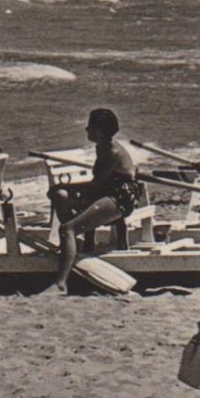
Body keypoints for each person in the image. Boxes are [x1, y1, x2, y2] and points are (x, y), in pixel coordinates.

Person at [53, 109, 145, 292]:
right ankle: (72, 244)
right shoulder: (101, 147)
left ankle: (61, 282)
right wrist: (61, 190)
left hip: (120, 199)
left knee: (66, 228)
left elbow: (96, 184)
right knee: (59, 196)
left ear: (100, 131)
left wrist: (67, 187)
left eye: (91, 127)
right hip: (105, 194)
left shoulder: (112, 151)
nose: (87, 129)